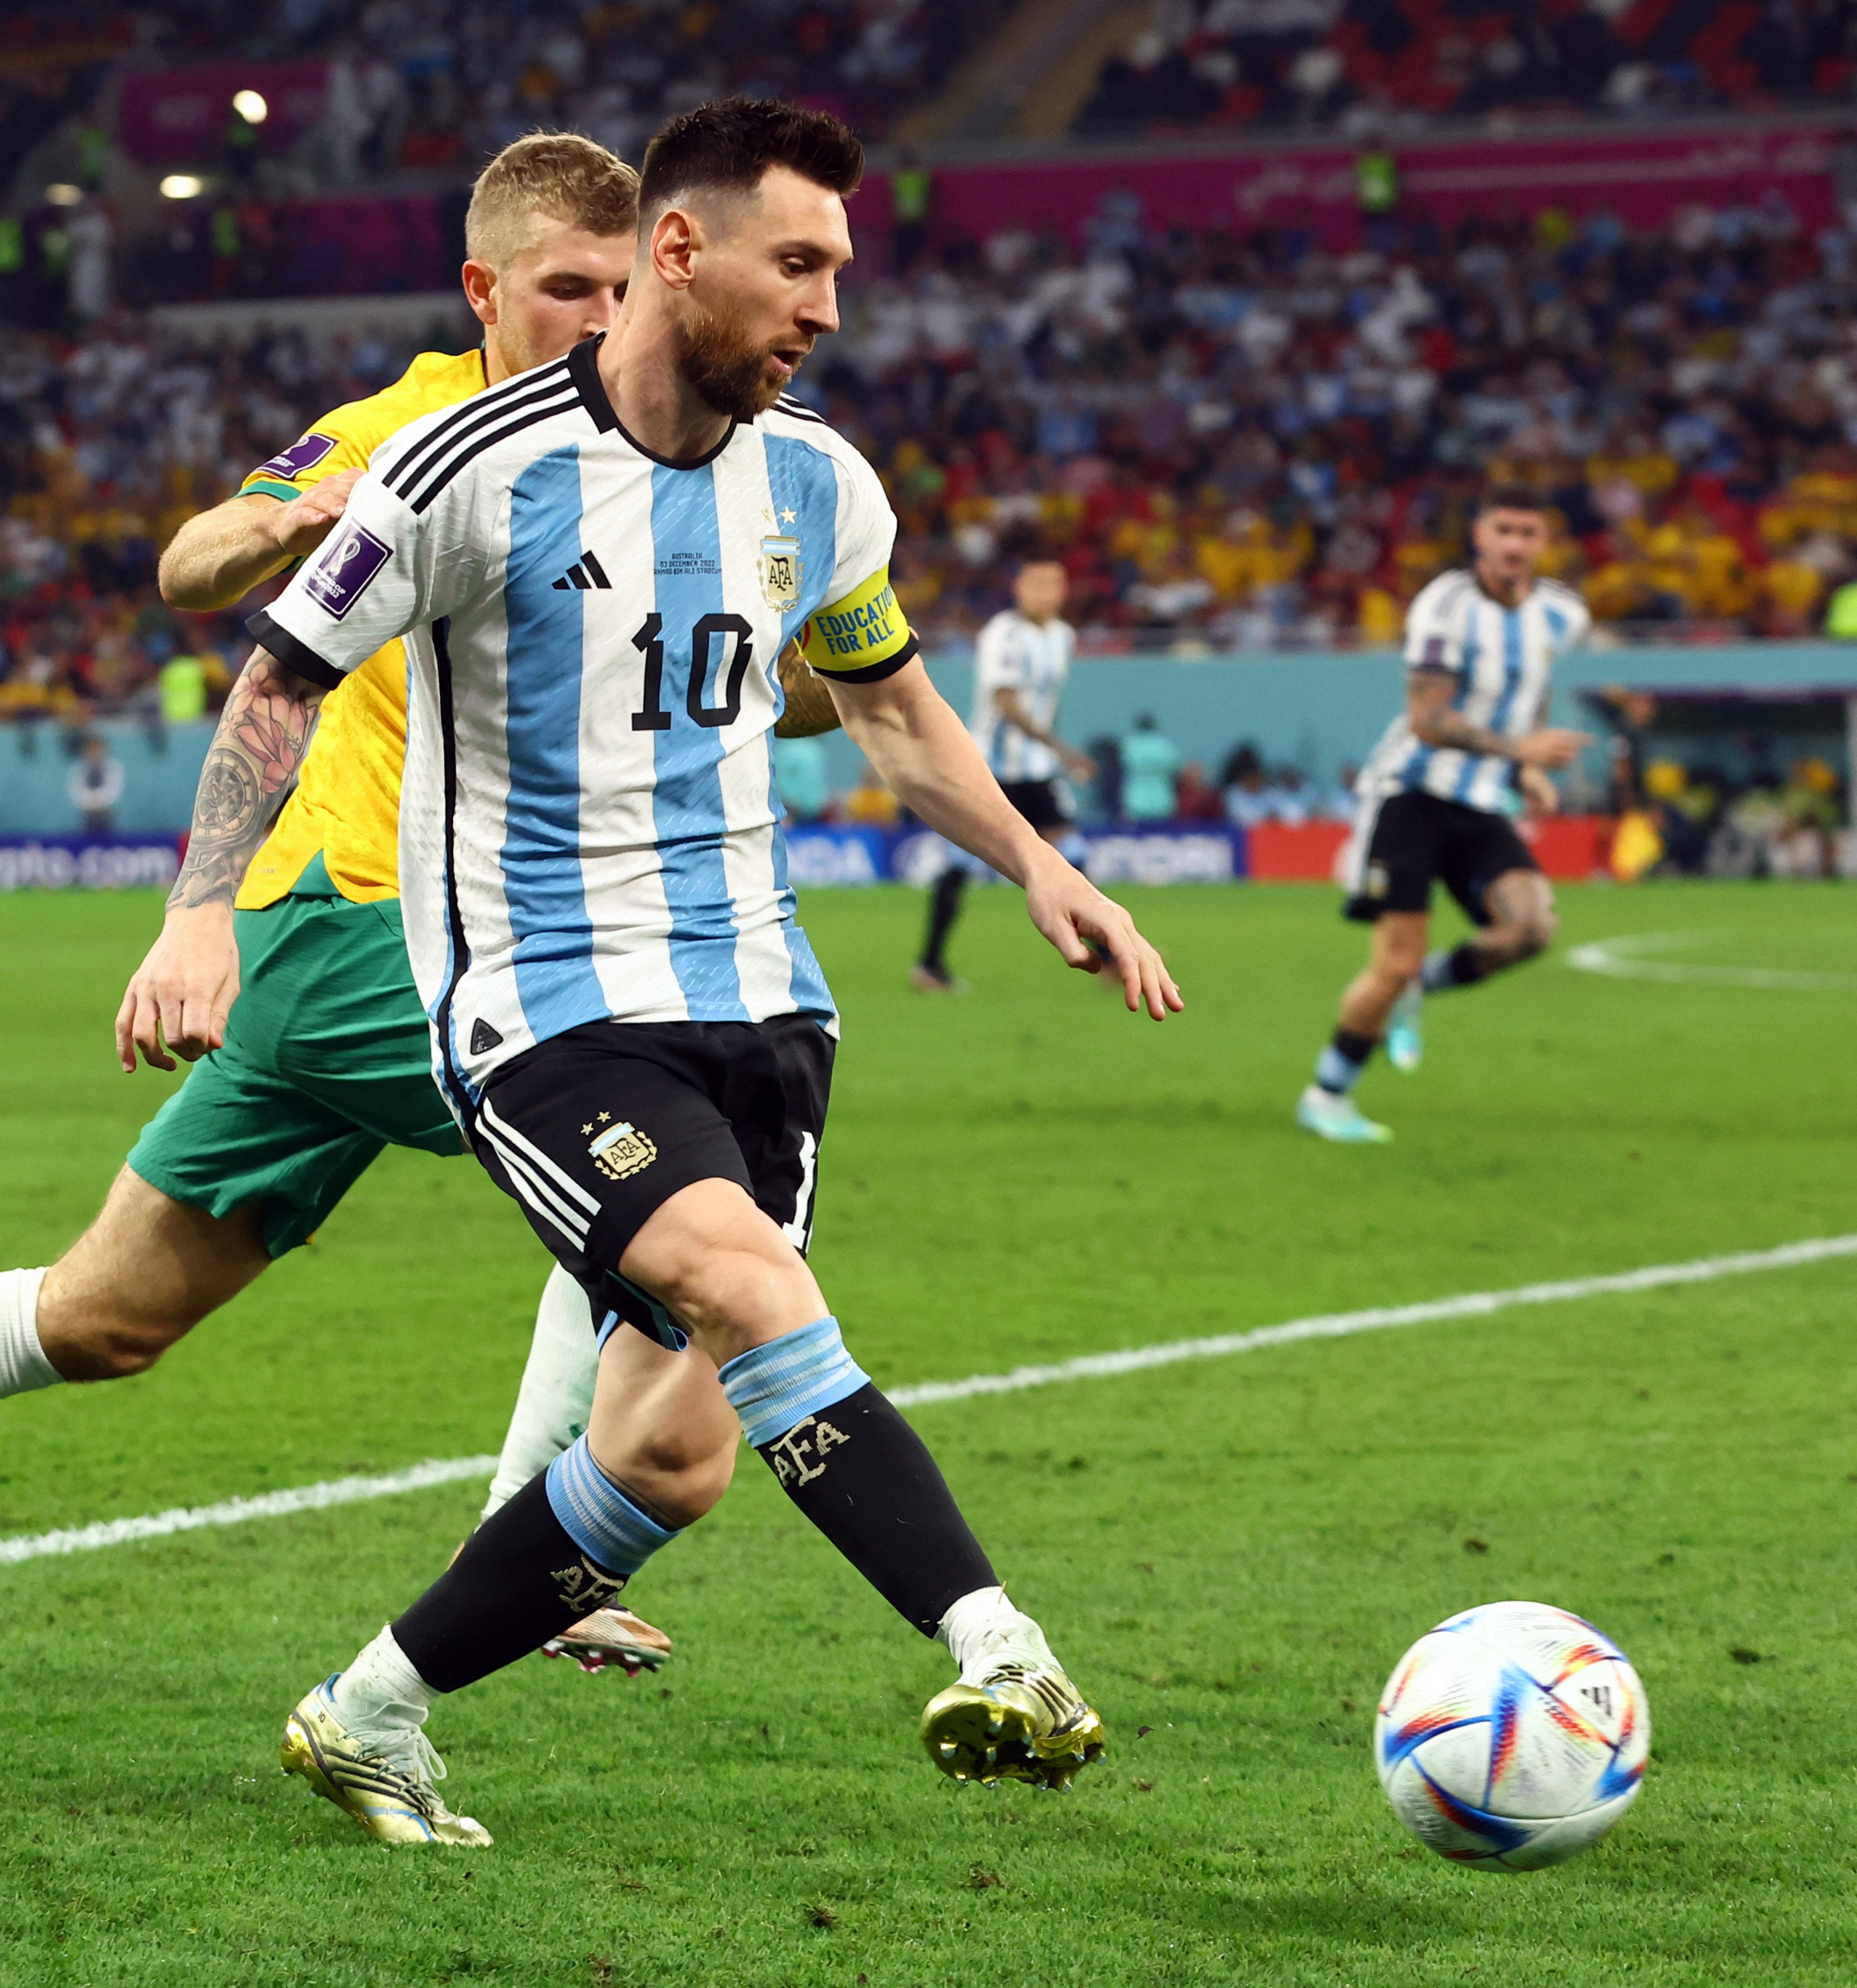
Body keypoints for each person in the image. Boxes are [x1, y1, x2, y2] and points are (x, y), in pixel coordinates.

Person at [128, 98, 1182, 1847]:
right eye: (799, 263)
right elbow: (276, 673)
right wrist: (194, 910)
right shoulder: (461, 468)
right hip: (541, 1010)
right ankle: (1001, 1645)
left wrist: (1037, 860)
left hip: (762, 1004)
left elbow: (893, 712)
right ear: (677, 254)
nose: (830, 304)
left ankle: (366, 1710)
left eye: (839, 268)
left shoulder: (818, 479)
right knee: (750, 1286)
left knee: (670, 1456)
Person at [0, 135, 719, 1681]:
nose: (599, 322)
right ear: (484, 290)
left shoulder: (647, 452)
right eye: (564, 290)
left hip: (395, 952)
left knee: (100, 1315)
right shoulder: (407, 429)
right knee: (649, 1160)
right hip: (350, 920)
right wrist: (282, 521)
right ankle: (534, 1555)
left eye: (623, 289)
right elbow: (192, 559)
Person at [1297, 485, 1590, 1143]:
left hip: (1482, 799)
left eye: (1528, 531)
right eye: (1503, 529)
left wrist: (1526, 768)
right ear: (1479, 536)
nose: (1515, 543)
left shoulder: (1562, 614)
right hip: (1410, 795)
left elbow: (1532, 693)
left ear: (1545, 542)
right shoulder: (1445, 606)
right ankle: (1327, 1094)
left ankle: (1419, 990)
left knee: (1532, 929)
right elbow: (1428, 721)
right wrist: (1519, 749)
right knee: (1392, 960)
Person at [913, 557, 1093, 991]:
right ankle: (930, 966)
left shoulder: (1062, 637)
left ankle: (1103, 958)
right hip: (992, 768)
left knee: (1074, 853)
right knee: (961, 863)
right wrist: (1063, 750)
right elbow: (1007, 703)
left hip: (1036, 770)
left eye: (1054, 583)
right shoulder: (1003, 634)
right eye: (1036, 583)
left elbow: (1047, 703)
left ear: (1064, 590)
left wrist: (1051, 752)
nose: (1045, 592)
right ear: (1018, 588)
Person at [1119, 713, 1178, 821]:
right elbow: (1175, 769)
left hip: (1136, 800)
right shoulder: (1163, 745)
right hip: (1161, 800)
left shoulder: (1130, 745)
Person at [66, 732, 124, 834]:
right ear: (85, 751)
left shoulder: (114, 767)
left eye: (97, 749)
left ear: (104, 750)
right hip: (86, 813)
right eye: (91, 750)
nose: (94, 753)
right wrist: (90, 802)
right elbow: (75, 791)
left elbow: (114, 790)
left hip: (106, 812)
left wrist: (98, 801)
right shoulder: (78, 769)